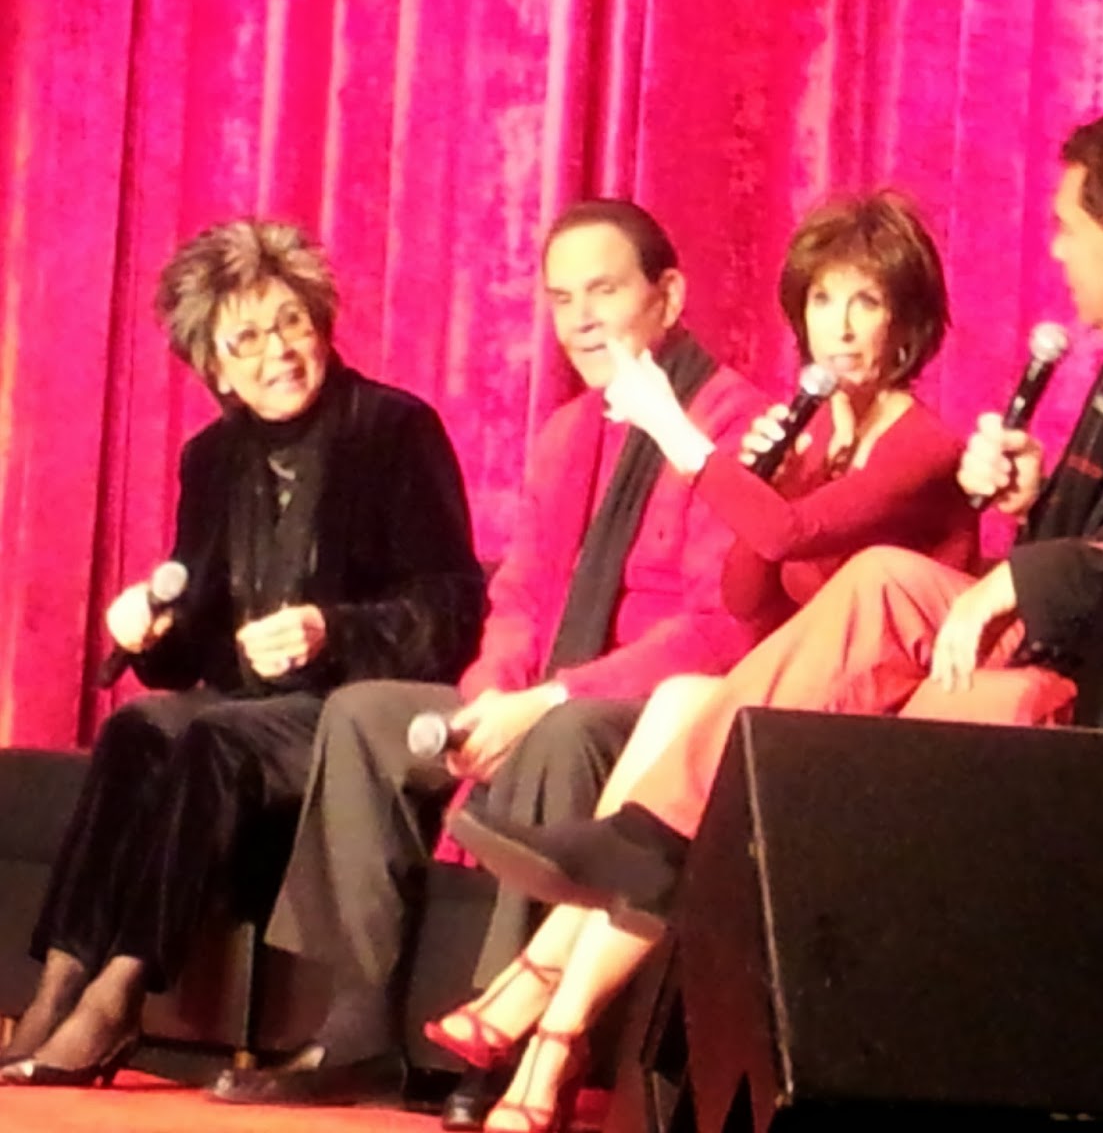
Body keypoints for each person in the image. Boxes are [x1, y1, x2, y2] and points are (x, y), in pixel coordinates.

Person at [442, 107, 1103, 1131]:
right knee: (764, 662)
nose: (1055, 248)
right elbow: (755, 586)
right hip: (1064, 632)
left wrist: (1025, 569)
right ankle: (637, 865)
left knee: (873, 588)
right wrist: (1033, 503)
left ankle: (643, 851)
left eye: (1067, 227)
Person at [208, 199, 768, 1112]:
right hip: (538, 688)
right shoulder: (570, 432)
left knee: (562, 733)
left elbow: (719, 630)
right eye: (561, 299)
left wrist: (545, 700)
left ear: (668, 296)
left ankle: (501, 1041)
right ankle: (356, 1027)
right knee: (364, 718)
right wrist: (490, 696)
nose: (580, 320)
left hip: (644, 710)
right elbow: (521, 596)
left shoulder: (732, 425)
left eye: (604, 291)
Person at [0, 219, 486, 1087]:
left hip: (346, 708)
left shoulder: (394, 429)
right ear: (216, 370)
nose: (279, 353)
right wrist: (150, 632)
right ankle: (56, 987)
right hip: (242, 703)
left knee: (209, 738)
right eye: (248, 339)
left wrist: (331, 628)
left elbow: (451, 606)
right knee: (136, 729)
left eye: (291, 323)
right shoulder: (213, 458)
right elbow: (192, 646)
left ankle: (120, 994)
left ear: (322, 323)